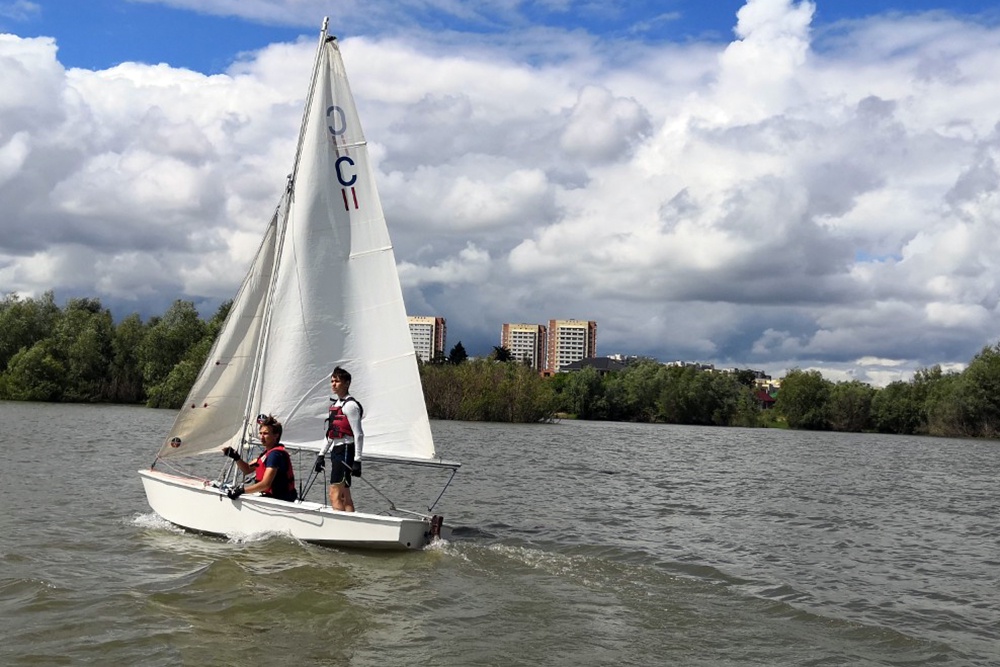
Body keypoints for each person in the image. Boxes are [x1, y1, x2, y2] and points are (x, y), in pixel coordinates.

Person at [314, 366, 364, 511]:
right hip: (336, 450)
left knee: (334, 494)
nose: (333, 384)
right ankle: (351, 524)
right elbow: (331, 433)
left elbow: (358, 434)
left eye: (337, 381)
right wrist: (321, 455)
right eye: (332, 381)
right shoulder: (335, 406)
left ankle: (340, 527)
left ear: (347, 383)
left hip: (346, 449)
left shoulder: (350, 406)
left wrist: (357, 460)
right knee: (344, 495)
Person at [221, 414, 297, 502]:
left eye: (265, 434)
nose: (261, 437)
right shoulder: (266, 454)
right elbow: (247, 469)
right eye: (260, 433)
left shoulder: (275, 455)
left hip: (280, 500)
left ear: (276, 435)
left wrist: (241, 491)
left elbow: (265, 484)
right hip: (269, 497)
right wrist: (236, 457)